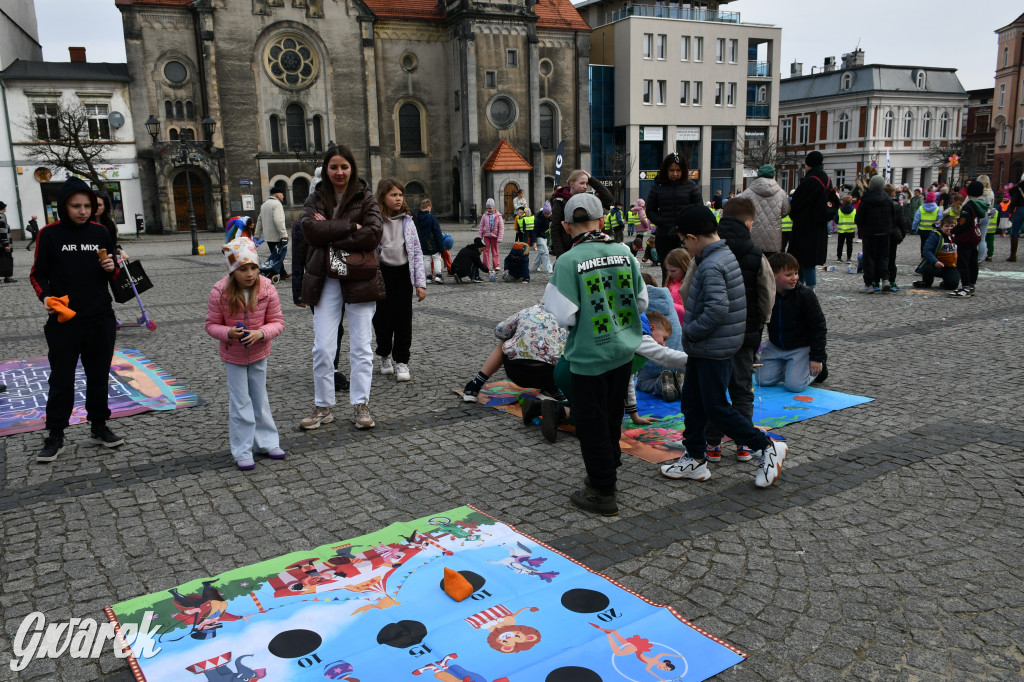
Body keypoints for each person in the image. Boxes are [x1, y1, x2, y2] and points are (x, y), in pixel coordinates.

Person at [659, 204, 788, 488]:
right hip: (710, 346)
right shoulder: (721, 255)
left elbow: (716, 310)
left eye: (683, 241)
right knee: (692, 403)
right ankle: (695, 458)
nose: (684, 246)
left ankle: (765, 446)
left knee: (716, 407)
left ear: (693, 237)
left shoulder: (713, 263)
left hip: (712, 348)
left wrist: (689, 332)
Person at [542, 193, 647, 516]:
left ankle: (603, 490)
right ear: (602, 221)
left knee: (591, 423)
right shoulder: (624, 252)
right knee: (613, 414)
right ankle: (609, 465)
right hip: (623, 351)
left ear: (565, 225)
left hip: (589, 356)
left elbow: (563, 315)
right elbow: (641, 302)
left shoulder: (569, 261)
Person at [29, 177, 124, 462]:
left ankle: (98, 426)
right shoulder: (49, 234)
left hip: (100, 317)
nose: (83, 211)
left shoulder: (100, 232)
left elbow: (114, 273)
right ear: (64, 206)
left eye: (88, 206)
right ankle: (55, 434)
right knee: (61, 379)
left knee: (98, 375)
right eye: (76, 206)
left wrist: (112, 267)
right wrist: (45, 296)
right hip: (64, 319)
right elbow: (37, 274)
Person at [299, 144, 384, 431]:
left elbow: (373, 234)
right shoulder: (315, 197)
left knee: (361, 346)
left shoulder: (366, 196)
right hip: (325, 279)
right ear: (326, 169)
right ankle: (323, 405)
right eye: (333, 167)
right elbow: (309, 229)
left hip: (359, 277)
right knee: (323, 347)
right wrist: (350, 226)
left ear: (352, 169)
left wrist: (331, 231)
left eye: (344, 167)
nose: (339, 172)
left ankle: (361, 403)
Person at [704, 197, 776, 462]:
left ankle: (712, 444)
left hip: (712, 336)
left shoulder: (708, 251)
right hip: (745, 335)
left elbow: (691, 290)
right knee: (742, 390)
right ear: (750, 223)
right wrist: (759, 325)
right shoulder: (757, 255)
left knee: (714, 390)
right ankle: (745, 444)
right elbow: (767, 295)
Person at [205, 237, 286, 470]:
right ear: (232, 270)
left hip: (259, 353)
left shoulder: (267, 288)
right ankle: (242, 450)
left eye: (253, 267)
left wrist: (261, 333)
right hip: (234, 356)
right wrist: (228, 332)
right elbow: (211, 325)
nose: (250, 273)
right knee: (240, 402)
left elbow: (278, 322)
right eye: (243, 268)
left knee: (260, 399)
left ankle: (267, 442)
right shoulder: (220, 292)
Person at [373, 179, 427, 382]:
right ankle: (384, 354)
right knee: (382, 319)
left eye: (400, 195)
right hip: (382, 274)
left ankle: (402, 360)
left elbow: (416, 253)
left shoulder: (408, 221)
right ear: (383, 197)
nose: (398, 198)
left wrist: (420, 283)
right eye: (393, 195)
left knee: (403, 320)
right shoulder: (376, 220)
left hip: (403, 274)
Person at [462, 303, 568, 405]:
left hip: (516, 372)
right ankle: (552, 389)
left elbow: (500, 331)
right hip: (548, 375)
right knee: (566, 349)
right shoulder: (566, 319)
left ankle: (475, 386)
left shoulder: (527, 311)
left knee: (505, 343)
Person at [757, 252, 827, 393]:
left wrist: (817, 357)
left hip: (800, 347)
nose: (794, 278)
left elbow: (818, 327)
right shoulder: (767, 293)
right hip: (776, 346)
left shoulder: (805, 295)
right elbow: (759, 321)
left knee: (794, 386)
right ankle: (790, 368)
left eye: (796, 273)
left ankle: (818, 370)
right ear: (773, 275)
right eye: (788, 275)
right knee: (762, 381)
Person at [646, 152, 703, 284]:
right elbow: (650, 211)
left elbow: (698, 209)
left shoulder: (691, 186)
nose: (675, 173)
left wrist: (685, 226)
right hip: (664, 236)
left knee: (688, 271)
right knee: (668, 273)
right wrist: (664, 222)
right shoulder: (657, 187)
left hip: (686, 237)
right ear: (666, 170)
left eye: (678, 170)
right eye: (672, 170)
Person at [624, 310, 688, 425]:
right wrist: (697, 361)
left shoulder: (633, 348)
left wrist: (635, 417)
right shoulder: (640, 338)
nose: (664, 344)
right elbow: (664, 355)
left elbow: (627, 381)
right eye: (664, 338)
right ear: (652, 328)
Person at [788, 151, 832, 288]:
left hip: (805, 225)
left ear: (809, 164)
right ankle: (802, 287)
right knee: (809, 260)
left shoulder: (810, 181)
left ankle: (806, 288)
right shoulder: (827, 180)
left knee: (803, 259)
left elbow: (795, 204)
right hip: (820, 226)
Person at [549, 170, 614, 259]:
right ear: (572, 184)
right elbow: (555, 229)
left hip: (590, 244)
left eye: (587, 184)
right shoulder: (560, 201)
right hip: (569, 248)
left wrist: (591, 180)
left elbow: (608, 198)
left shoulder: (589, 198)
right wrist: (561, 255)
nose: (585, 186)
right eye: (582, 183)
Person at [948, 180, 989, 298]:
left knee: (963, 262)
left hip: (966, 237)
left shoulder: (968, 206)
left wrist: (953, 230)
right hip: (975, 236)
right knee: (972, 262)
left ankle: (965, 286)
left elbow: (964, 224)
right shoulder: (980, 205)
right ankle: (971, 284)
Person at [739, 164, 789, 256]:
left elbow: (740, 210)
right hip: (774, 237)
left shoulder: (747, 192)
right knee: (771, 266)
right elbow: (786, 211)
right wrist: (775, 216)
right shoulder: (781, 193)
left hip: (753, 237)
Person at [854, 174, 892, 294]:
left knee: (868, 258)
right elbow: (892, 216)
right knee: (883, 257)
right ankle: (885, 279)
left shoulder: (866, 200)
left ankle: (868, 284)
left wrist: (862, 226)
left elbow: (858, 219)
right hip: (885, 232)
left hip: (870, 233)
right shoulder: (888, 199)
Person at [913, 215, 960, 290]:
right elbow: (927, 250)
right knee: (929, 268)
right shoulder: (935, 235)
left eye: (952, 226)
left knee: (952, 285)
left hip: (951, 266)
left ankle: (945, 282)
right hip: (937, 264)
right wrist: (935, 261)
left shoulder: (957, 236)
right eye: (947, 226)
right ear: (941, 227)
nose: (949, 228)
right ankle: (926, 281)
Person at [255, 180, 290, 280]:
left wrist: (257, 234)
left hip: (268, 237)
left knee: (276, 256)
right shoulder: (277, 204)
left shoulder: (265, 204)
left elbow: (259, 220)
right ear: (277, 194)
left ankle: (283, 273)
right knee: (278, 256)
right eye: (282, 194)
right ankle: (271, 273)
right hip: (277, 236)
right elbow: (278, 221)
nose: (283, 196)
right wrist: (284, 234)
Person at [414, 198, 446, 284]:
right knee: (436, 258)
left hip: (423, 241)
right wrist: (441, 245)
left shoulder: (418, 218)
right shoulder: (432, 217)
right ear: (429, 207)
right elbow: (437, 232)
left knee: (426, 259)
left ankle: (428, 277)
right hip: (432, 241)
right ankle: (438, 276)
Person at [885, 183, 909, 292]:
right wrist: (901, 236)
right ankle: (892, 281)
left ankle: (876, 281)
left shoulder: (881, 204)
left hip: (881, 235)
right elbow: (903, 223)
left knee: (880, 258)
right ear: (893, 193)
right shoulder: (897, 206)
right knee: (891, 260)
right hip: (893, 235)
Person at [660, 247, 690, 331]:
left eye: (673, 271)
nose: (669, 274)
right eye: (668, 270)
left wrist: (671, 305)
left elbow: (690, 311)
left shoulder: (689, 285)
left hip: (684, 327)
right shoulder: (669, 283)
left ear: (684, 267)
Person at [94, 191, 128, 262]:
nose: (96, 207)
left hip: (106, 263)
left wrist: (121, 251)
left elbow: (112, 246)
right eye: (93, 204)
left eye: (99, 205)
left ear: (105, 206)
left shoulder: (109, 224)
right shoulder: (83, 224)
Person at [478, 199, 504, 278]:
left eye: (491, 208)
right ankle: (486, 265)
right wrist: (480, 236)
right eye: (488, 208)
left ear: (493, 207)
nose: (489, 210)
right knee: (485, 251)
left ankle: (496, 265)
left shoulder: (498, 215)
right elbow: (481, 226)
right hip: (486, 236)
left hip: (494, 236)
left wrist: (500, 238)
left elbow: (501, 227)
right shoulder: (484, 215)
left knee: (495, 251)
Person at [531, 201, 553, 274]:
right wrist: (534, 242)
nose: (549, 215)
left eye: (550, 213)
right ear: (544, 213)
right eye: (548, 214)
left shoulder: (550, 217)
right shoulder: (538, 219)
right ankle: (548, 268)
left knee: (541, 252)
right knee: (545, 252)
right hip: (539, 237)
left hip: (545, 236)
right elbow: (534, 231)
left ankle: (534, 266)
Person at [835, 195, 856, 262]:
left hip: (841, 230)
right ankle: (849, 258)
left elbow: (836, 219)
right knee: (849, 245)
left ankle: (839, 257)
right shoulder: (854, 211)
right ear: (851, 202)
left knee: (840, 244)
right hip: (851, 230)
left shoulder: (839, 210)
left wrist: (839, 223)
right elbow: (856, 219)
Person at [0, 202, 14, 283]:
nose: (5, 209)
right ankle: (7, 277)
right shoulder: (1, 217)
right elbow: (2, 231)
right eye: (4, 207)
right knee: (7, 260)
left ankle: (7, 277)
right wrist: (6, 244)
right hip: (2, 244)